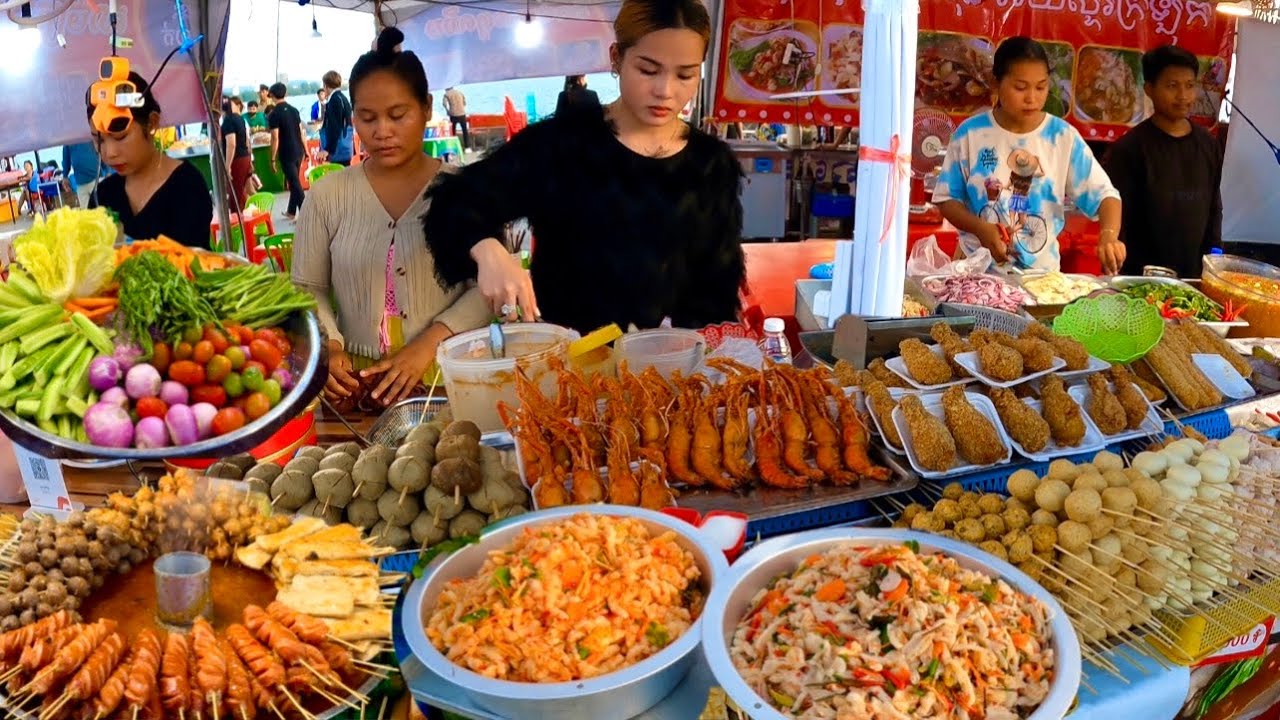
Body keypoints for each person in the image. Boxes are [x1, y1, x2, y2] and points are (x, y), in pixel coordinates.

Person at [423, 0, 744, 332]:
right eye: (648, 70)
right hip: (572, 366)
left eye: (685, 74)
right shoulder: (560, 145)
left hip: (674, 367)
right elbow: (453, 201)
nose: (665, 90)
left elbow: (717, 287)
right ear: (616, 58)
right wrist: (489, 250)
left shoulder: (711, 164)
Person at [294, 27, 488, 407]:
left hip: (450, 378)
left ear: (427, 107)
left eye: (398, 115)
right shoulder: (327, 197)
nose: (382, 131)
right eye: (367, 118)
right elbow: (306, 285)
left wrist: (430, 343)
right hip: (356, 388)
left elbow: (486, 288)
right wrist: (330, 344)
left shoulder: (466, 191)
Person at [933, 36, 1124, 273]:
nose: (1032, 98)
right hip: (976, 273)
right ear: (996, 83)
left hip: (1040, 279)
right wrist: (980, 228)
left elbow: (1106, 196)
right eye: (1020, 87)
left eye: (1041, 87)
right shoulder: (970, 134)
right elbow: (947, 199)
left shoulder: (1062, 137)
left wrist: (1108, 236)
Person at [1104, 45, 1222, 278]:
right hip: (1140, 278)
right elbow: (1117, 218)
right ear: (1149, 89)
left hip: (1193, 276)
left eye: (1189, 85)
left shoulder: (1208, 144)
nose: (1183, 96)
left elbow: (1214, 206)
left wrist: (1213, 260)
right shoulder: (1128, 149)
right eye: (1172, 86)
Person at [85, 72, 213, 248]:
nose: (109, 152)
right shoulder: (103, 196)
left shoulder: (187, 186)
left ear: (152, 123)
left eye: (121, 137)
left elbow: (192, 266)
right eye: (99, 140)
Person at [267, 82, 308, 220]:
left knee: (295, 183)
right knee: (294, 180)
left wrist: (272, 158)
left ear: (272, 95)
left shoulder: (274, 114)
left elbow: (275, 138)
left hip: (286, 152)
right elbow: (301, 132)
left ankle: (305, 215)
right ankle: (291, 211)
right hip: (299, 150)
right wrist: (306, 150)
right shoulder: (294, 110)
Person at [221, 96, 253, 211]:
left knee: (235, 194)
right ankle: (245, 216)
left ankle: (238, 222)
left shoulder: (228, 121)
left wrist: (227, 166)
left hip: (237, 159)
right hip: (245, 156)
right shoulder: (239, 118)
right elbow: (246, 141)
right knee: (242, 191)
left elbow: (231, 144)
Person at [318, 70, 354, 166]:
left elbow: (335, 127)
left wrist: (328, 149)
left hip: (338, 150)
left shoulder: (334, 101)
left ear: (326, 85)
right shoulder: (343, 98)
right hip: (346, 147)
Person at [62, 141, 106, 208]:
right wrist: (65, 177)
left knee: (102, 209)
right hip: (80, 184)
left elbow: (102, 151)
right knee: (86, 213)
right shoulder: (68, 139)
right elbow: (66, 159)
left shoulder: (89, 133)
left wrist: (107, 171)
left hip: (96, 179)